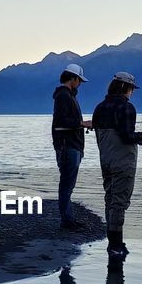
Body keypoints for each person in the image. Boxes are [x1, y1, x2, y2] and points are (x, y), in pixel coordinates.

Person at [90, 72, 142, 258]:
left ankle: (112, 243)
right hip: (123, 162)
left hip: (105, 160)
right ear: (124, 88)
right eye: (131, 89)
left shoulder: (99, 107)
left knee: (110, 199)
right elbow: (128, 136)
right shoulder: (127, 108)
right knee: (120, 202)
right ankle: (116, 245)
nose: (132, 93)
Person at [51, 63, 92, 231]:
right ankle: (67, 222)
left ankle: (68, 219)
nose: (80, 83)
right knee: (66, 186)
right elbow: (60, 123)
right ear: (72, 78)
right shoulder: (63, 96)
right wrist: (82, 123)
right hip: (68, 147)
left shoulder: (69, 95)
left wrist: (82, 124)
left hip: (71, 147)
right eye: (79, 80)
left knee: (68, 185)